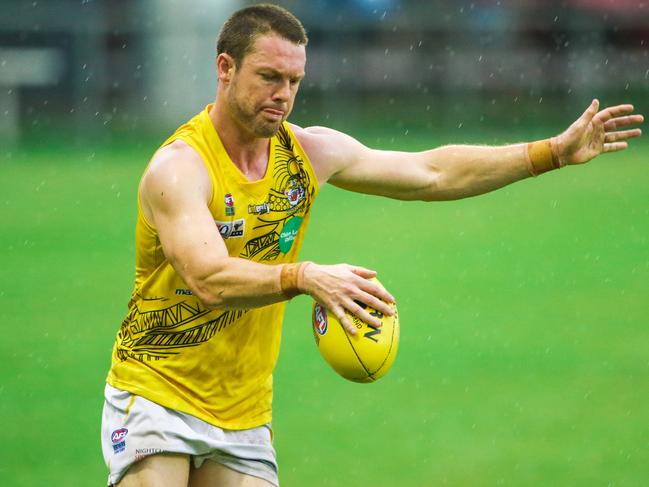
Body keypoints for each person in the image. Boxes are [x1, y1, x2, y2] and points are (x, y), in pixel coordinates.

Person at [101, 3, 643, 487]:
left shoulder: (308, 154)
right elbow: (208, 277)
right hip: (156, 391)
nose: (283, 94)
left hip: (242, 409)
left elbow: (431, 172)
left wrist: (548, 153)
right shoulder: (180, 168)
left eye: (294, 80)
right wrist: (303, 276)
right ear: (225, 68)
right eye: (268, 77)